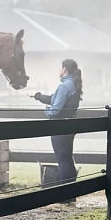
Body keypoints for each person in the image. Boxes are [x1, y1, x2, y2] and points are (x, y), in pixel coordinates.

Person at [29, 58, 83, 191]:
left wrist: (46, 110)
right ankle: (70, 192)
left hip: (60, 126)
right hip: (70, 125)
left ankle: (63, 192)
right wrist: (36, 96)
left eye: (60, 67)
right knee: (67, 158)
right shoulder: (72, 84)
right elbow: (54, 99)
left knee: (62, 159)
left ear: (64, 69)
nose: (59, 70)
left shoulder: (64, 86)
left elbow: (55, 109)